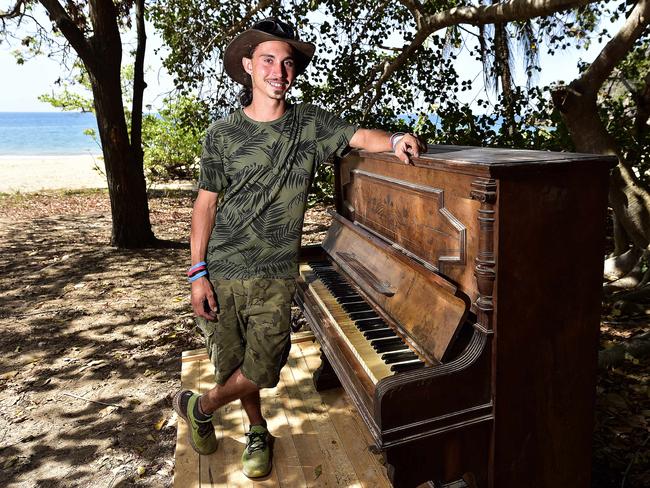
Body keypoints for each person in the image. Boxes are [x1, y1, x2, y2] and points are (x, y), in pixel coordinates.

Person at [173, 17, 426, 479]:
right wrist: (196, 273)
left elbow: (358, 137)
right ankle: (257, 430)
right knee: (231, 362)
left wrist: (393, 140)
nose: (279, 71)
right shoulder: (222, 134)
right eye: (268, 60)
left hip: (274, 270)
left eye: (287, 63)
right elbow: (204, 207)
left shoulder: (309, 125)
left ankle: (200, 407)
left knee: (265, 366)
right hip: (222, 267)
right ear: (249, 66)